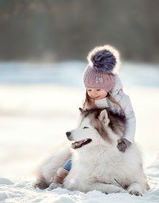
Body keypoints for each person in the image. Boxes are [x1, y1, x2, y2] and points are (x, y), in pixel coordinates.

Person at [50, 45, 137, 188]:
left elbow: (131, 119)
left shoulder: (121, 99)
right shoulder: (90, 101)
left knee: (129, 156)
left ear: (108, 87)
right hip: (99, 137)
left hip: (120, 135)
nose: (93, 93)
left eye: (97, 89)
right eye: (89, 89)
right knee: (75, 155)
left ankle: (135, 178)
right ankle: (59, 177)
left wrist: (127, 140)